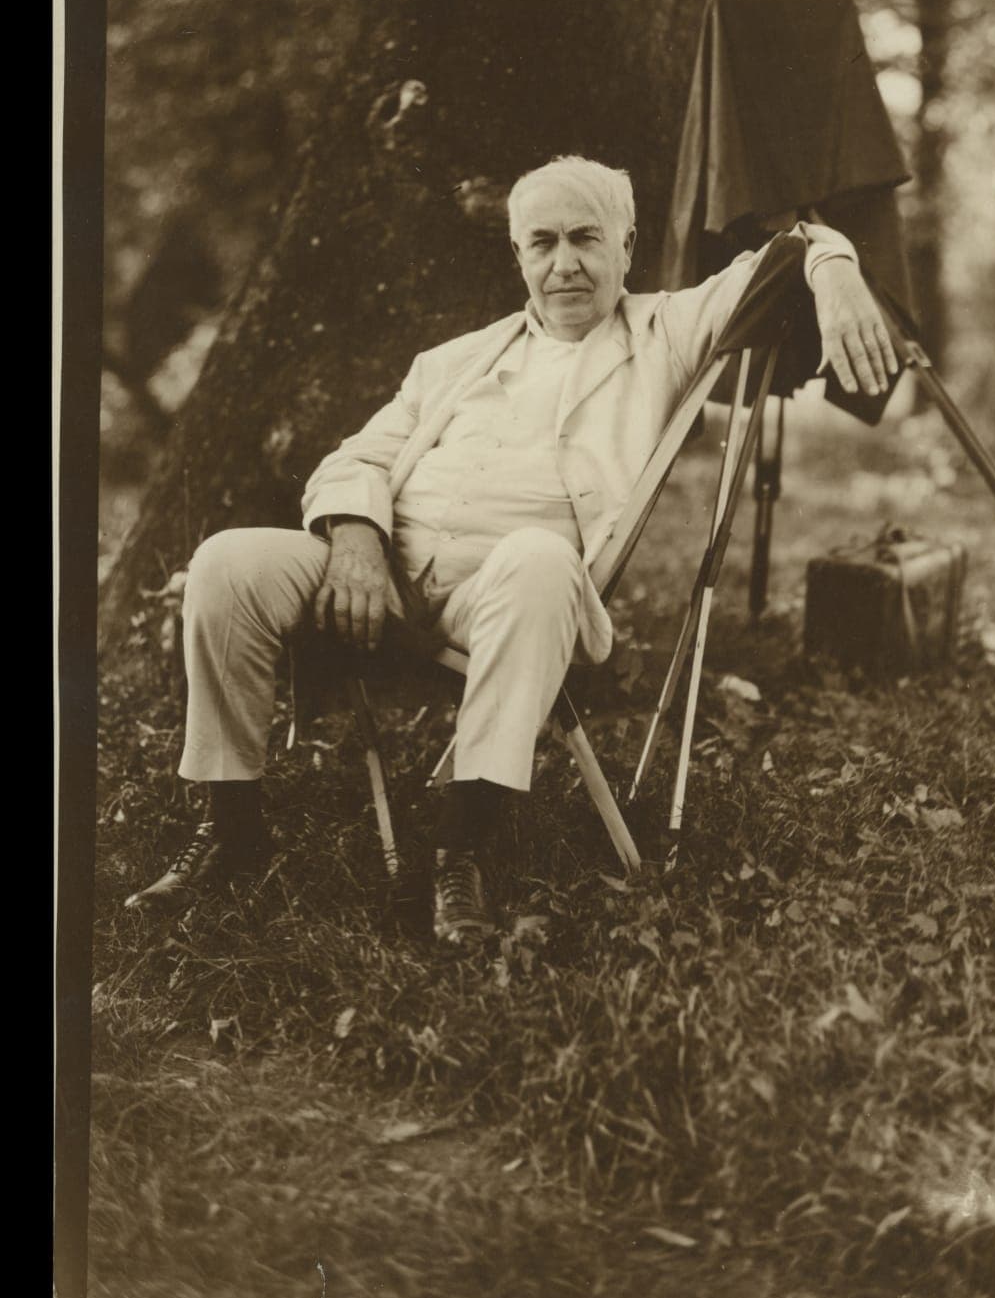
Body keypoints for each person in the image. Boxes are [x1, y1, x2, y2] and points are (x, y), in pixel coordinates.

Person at [126, 156, 898, 940]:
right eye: (543, 243)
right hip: (381, 577)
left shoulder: (664, 331)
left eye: (586, 238)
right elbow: (356, 458)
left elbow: (785, 254)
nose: (564, 264)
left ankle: (459, 852)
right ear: (519, 254)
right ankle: (232, 831)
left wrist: (835, 271)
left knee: (538, 556)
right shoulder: (453, 360)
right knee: (227, 562)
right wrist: (356, 539)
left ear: (627, 245)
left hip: (504, 596)